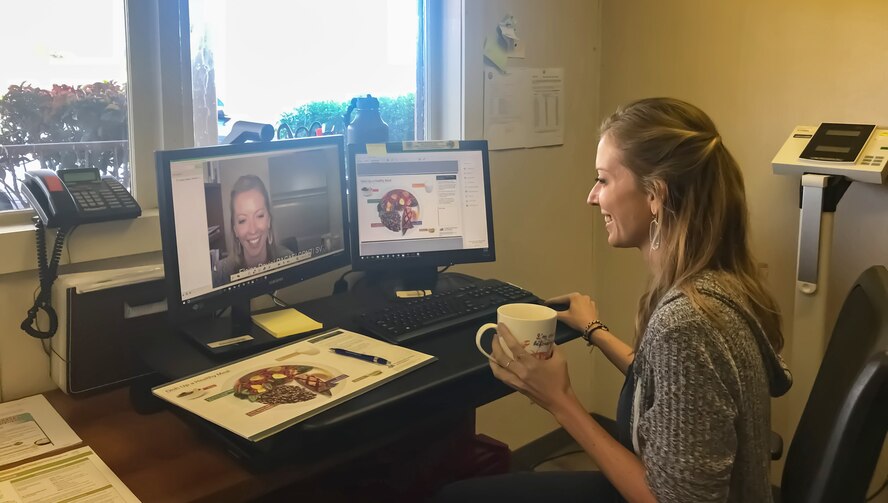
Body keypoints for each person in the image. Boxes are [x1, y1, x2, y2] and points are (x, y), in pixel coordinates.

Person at [434, 98, 792, 502]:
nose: (592, 197)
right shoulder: (719, 284)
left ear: (655, 194)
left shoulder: (687, 324)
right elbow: (673, 392)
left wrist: (561, 401)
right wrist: (595, 331)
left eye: (603, 180)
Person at [212, 174, 292, 287]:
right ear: (235, 229)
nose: (253, 230)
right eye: (242, 220)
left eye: (259, 215)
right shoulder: (220, 274)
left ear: (269, 220)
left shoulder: (289, 260)